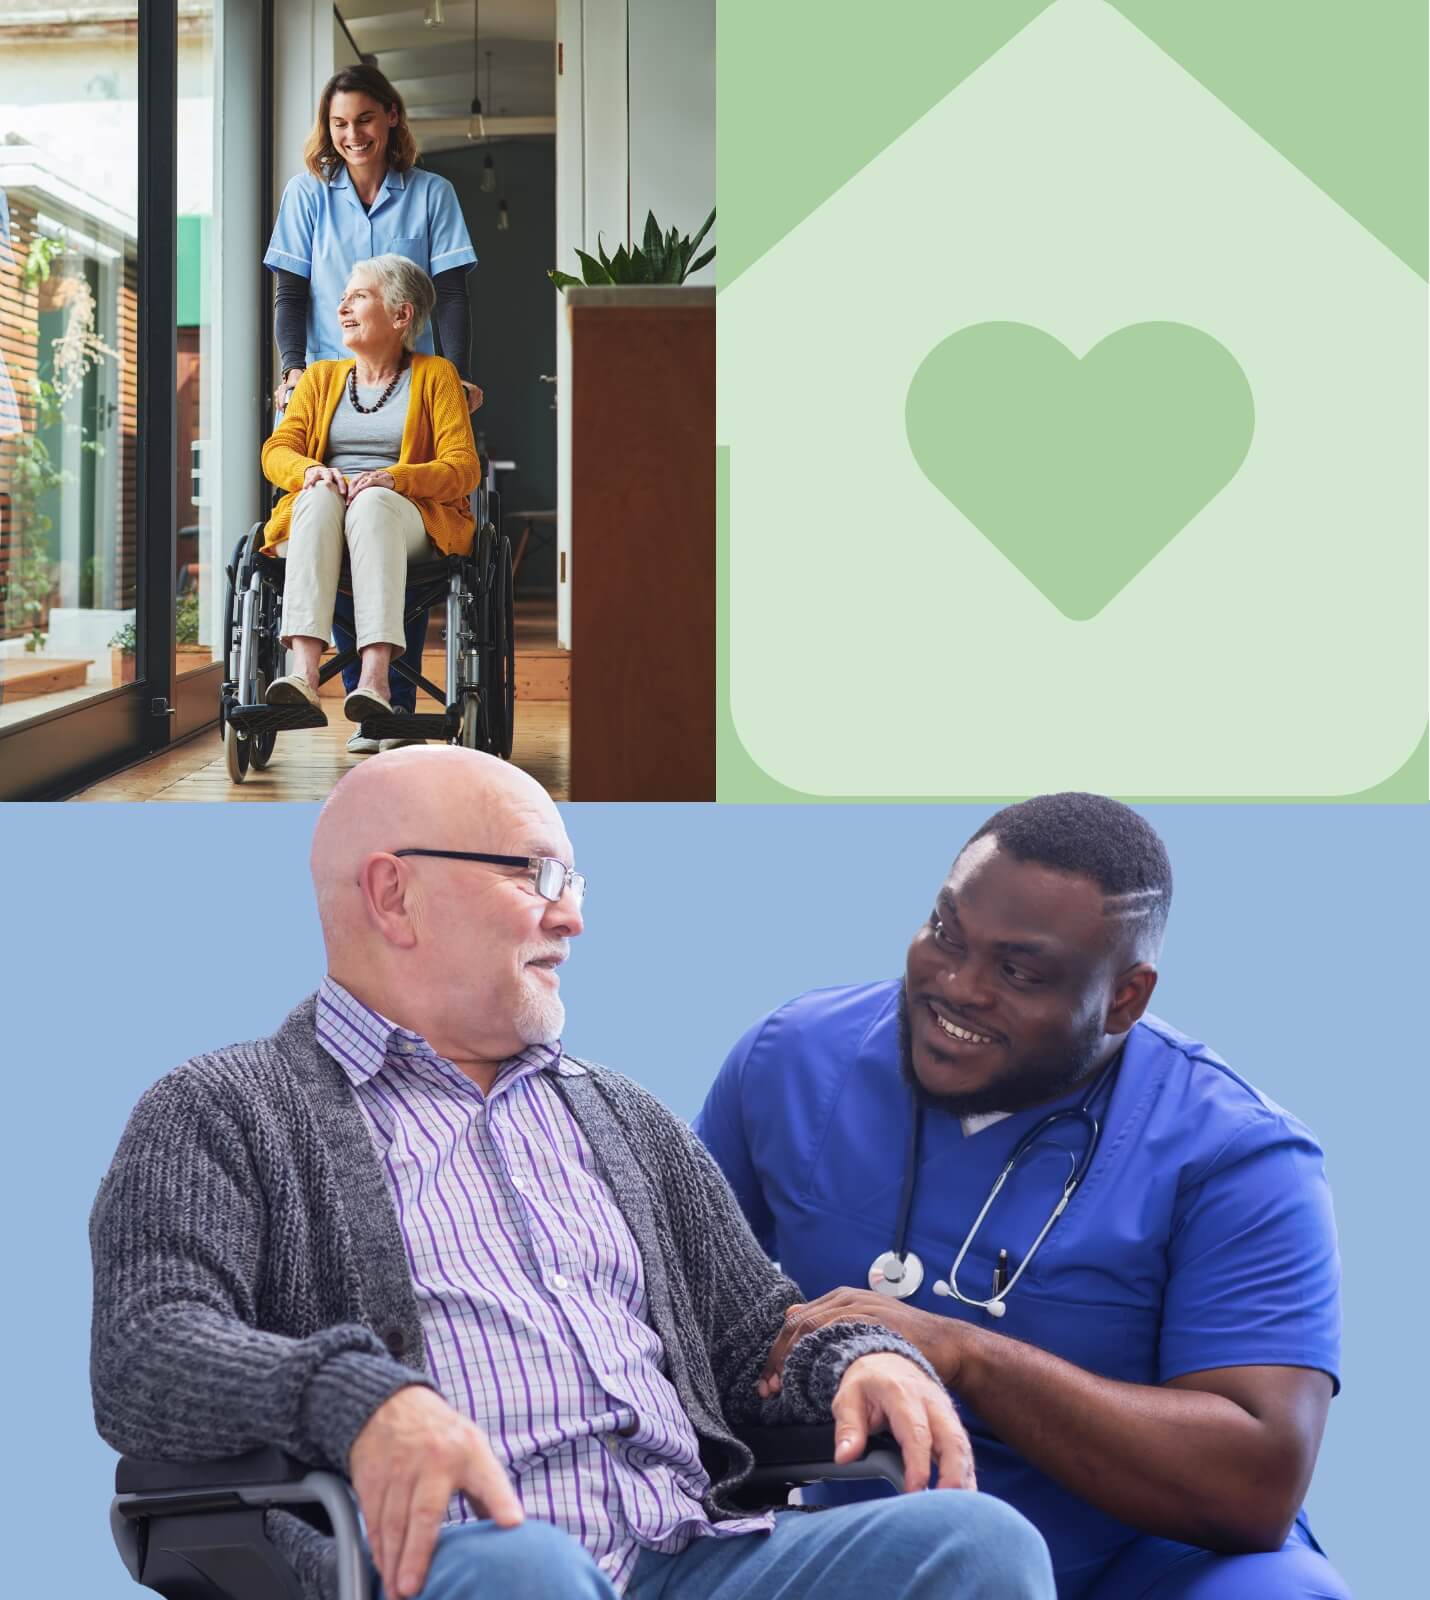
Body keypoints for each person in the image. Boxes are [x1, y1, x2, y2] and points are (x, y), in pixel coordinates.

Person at [90, 749, 1055, 1600]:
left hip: (692, 1551)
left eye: (576, 882)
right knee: (529, 1570)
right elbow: (147, 1350)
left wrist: (856, 1359)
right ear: (393, 895)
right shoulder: (222, 1108)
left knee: (976, 1543)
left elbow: (755, 1337)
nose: (570, 917)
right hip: (452, 1562)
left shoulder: (626, 1118)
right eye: (536, 874)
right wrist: (359, 1398)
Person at [694, 794, 1347, 1600]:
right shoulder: (791, 1062)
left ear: (1125, 999)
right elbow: (668, 1315)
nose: (957, 987)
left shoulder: (1240, 1156)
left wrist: (962, 1353)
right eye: (945, 934)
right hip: (881, 1546)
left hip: (1151, 1565)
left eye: (1019, 972)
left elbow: (1255, 1483)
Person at [265, 63, 483, 754]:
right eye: (338, 123)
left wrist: (454, 374)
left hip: (407, 385)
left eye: (363, 119)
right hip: (335, 379)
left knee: (381, 508)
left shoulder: (431, 194)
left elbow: (450, 293)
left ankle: (381, 693)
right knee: (322, 504)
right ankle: (325, 676)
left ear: (391, 117)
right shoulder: (307, 194)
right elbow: (290, 294)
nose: (351, 134)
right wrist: (294, 372)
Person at [259, 255, 479, 731]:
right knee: (317, 496)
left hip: (407, 516)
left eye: (357, 296)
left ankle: (376, 682)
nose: (342, 308)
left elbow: (463, 468)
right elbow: (276, 451)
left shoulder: (436, 375)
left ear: (401, 315)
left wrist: (395, 479)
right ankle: (303, 675)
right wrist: (313, 470)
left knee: (373, 502)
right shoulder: (318, 379)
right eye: (342, 298)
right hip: (325, 515)